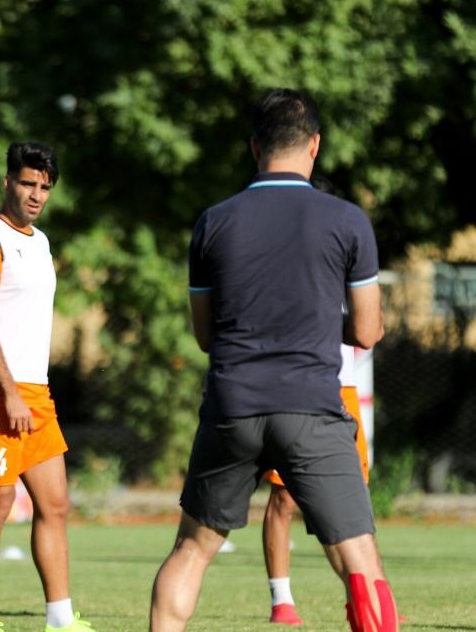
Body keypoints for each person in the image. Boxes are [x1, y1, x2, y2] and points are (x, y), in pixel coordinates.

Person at [149, 89, 399, 632]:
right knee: (361, 561)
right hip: (311, 406)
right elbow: (364, 331)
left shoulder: (213, 222)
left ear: (255, 146)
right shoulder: (348, 220)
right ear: (314, 145)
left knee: (192, 550)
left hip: (232, 404)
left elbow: (204, 336)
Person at [0, 142, 97, 632]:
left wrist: (27, 390)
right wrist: (10, 392)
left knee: (55, 503)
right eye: (27, 183)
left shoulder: (39, 241)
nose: (36, 194)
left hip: (35, 392)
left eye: (44, 186)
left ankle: (59, 617)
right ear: (7, 183)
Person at [262, 344, 370, 626]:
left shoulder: (352, 295)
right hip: (295, 384)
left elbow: (370, 331)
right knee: (284, 496)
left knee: (354, 498)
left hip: (342, 385)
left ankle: (363, 599)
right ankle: (281, 601)